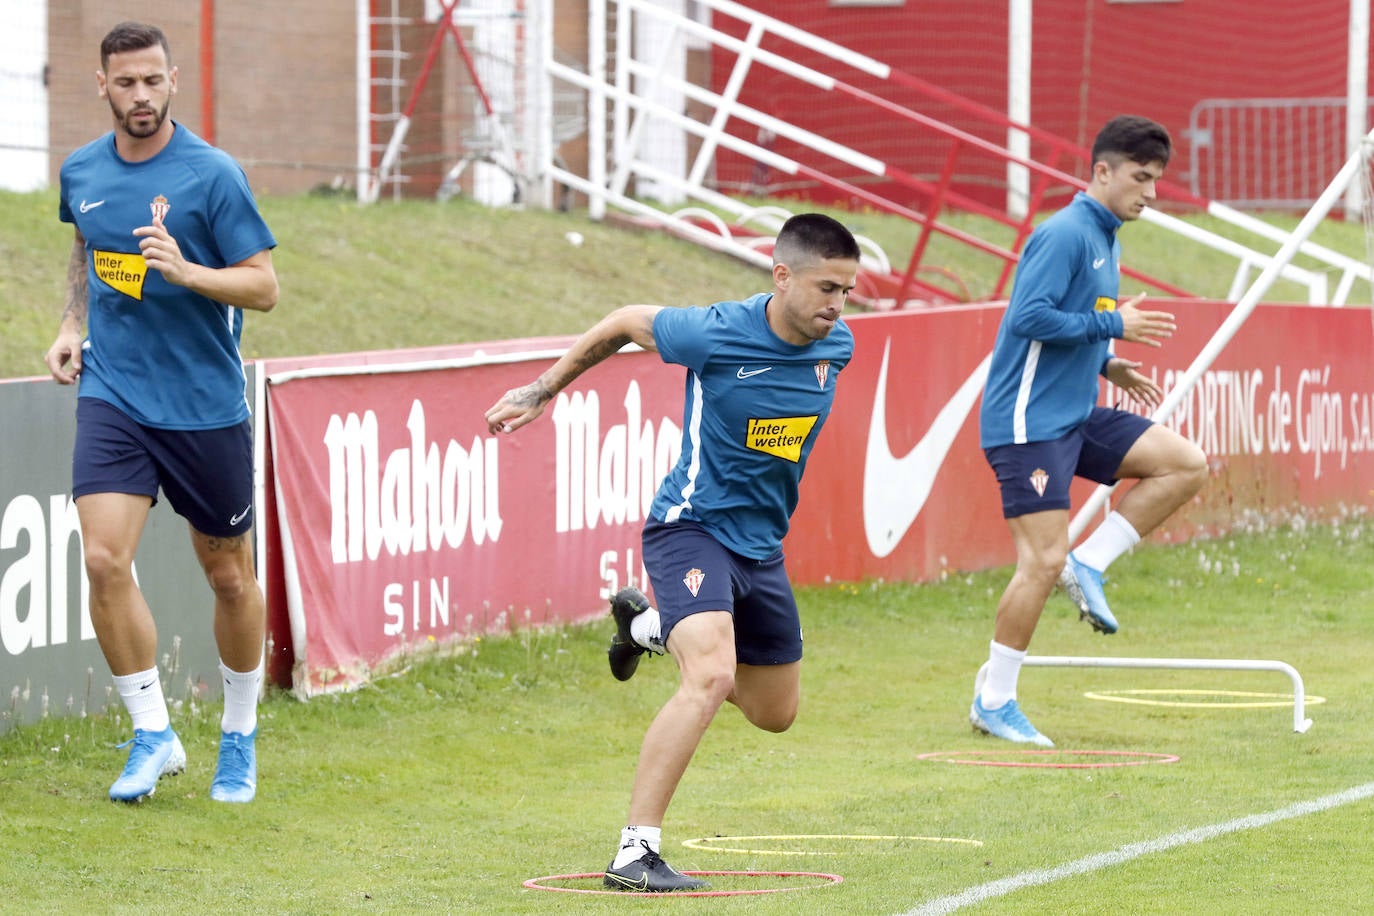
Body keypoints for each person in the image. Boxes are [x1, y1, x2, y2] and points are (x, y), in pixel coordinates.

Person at [484, 213, 860, 892]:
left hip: (761, 547)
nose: (837, 304)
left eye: (847, 292)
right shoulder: (716, 332)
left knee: (776, 713)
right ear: (782, 276)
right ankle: (635, 851)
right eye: (827, 287)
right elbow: (626, 320)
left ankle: (645, 628)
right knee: (712, 675)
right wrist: (544, 388)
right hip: (690, 527)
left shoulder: (838, 348)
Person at [44, 22, 278, 803]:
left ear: (173, 80)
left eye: (152, 81)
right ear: (101, 86)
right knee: (104, 560)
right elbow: (85, 247)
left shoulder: (213, 176)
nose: (140, 96)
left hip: (205, 407)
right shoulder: (81, 169)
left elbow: (263, 287)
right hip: (114, 393)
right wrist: (73, 325)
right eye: (125, 83)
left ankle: (238, 738)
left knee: (229, 577)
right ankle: (154, 734)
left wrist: (187, 271)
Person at [971, 115, 1208, 747]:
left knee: (1185, 463)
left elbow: (1072, 320)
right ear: (1101, 171)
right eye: (1140, 177)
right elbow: (1028, 317)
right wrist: (1110, 330)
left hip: (1073, 412)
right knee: (1040, 562)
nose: (1150, 192)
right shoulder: (1066, 233)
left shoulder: (1106, 234)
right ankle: (994, 700)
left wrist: (1107, 363)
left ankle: (1092, 561)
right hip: (1027, 424)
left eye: (1156, 179)